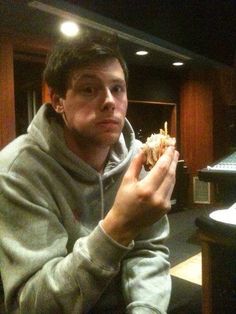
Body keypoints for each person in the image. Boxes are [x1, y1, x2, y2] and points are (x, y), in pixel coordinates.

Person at [0, 32, 179, 314]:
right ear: (58, 101)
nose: (110, 101)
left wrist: (146, 309)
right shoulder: (16, 171)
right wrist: (118, 226)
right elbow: (32, 304)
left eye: (117, 88)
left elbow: (148, 251)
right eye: (88, 89)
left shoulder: (138, 158)